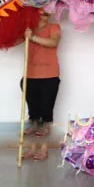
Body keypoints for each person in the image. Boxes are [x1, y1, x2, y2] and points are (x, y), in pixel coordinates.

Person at [21, 10, 62, 161]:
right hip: (30, 76)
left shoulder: (54, 27)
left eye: (46, 13)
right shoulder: (28, 30)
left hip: (49, 76)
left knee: (45, 120)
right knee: (33, 118)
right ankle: (31, 149)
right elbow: (13, 40)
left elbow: (53, 42)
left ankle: (43, 151)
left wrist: (33, 37)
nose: (44, 15)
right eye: (40, 13)